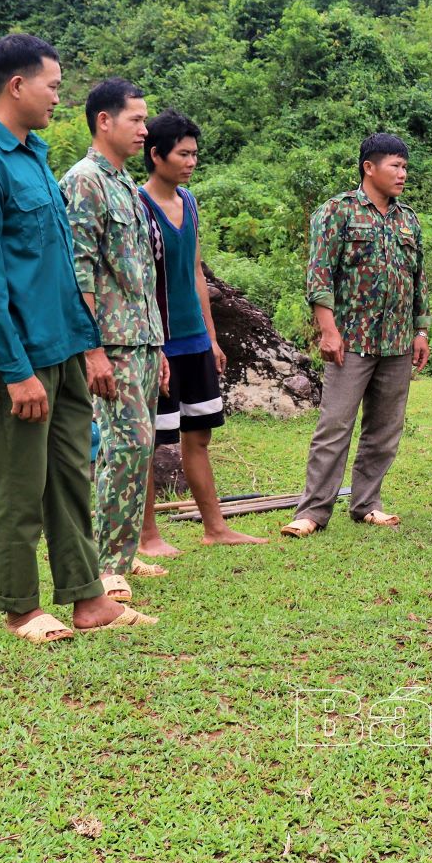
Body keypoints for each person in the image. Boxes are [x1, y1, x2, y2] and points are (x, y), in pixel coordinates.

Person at [0, 34, 154, 642]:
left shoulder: (32, 155)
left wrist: (88, 346)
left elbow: (61, 265)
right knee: (18, 485)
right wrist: (15, 371)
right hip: (19, 358)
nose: (60, 97)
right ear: (17, 86)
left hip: (62, 349)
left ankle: (88, 599)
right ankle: (20, 607)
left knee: (69, 478)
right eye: (53, 86)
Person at [281, 134, 430, 536]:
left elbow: (418, 280)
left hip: (397, 341)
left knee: (384, 428)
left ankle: (367, 502)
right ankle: (312, 511)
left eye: (404, 166)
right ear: (369, 167)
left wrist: (421, 330)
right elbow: (320, 274)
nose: (402, 173)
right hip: (352, 340)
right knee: (335, 425)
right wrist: (327, 331)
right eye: (395, 166)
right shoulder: (337, 211)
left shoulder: (408, 219)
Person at [136, 110, 268, 552]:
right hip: (157, 342)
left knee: (200, 435)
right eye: (183, 153)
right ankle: (148, 534)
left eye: (195, 154)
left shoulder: (189, 201)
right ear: (156, 155)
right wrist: (151, 345)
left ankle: (216, 528)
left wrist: (211, 337)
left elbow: (195, 272)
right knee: (152, 441)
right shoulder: (137, 205)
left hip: (193, 338)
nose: (191, 161)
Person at [60, 78, 167, 604]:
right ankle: (105, 565)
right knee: (124, 447)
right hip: (112, 343)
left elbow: (140, 274)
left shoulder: (123, 183)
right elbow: (77, 271)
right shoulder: (84, 181)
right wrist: (92, 348)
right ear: (104, 121)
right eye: (135, 120)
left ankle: (120, 553)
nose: (144, 130)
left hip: (141, 340)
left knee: (137, 447)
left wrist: (158, 345)